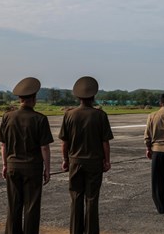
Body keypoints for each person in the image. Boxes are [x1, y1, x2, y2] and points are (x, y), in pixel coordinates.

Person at [0, 77, 54, 234]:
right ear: (34, 98)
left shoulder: (7, 117)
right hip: (32, 168)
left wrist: (4, 164)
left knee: (14, 205)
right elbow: (44, 147)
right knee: (31, 206)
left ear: (20, 98)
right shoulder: (40, 119)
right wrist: (47, 169)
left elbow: (3, 145)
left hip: (12, 166)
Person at [59, 76, 114, 234]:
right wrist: (107, 161)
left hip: (75, 161)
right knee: (92, 198)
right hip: (94, 162)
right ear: (93, 96)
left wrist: (65, 160)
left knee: (76, 197)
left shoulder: (69, 114)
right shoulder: (100, 115)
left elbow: (65, 142)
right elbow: (105, 142)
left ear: (78, 97)